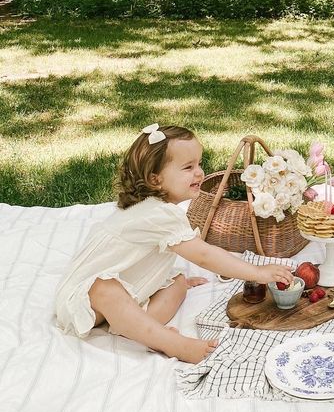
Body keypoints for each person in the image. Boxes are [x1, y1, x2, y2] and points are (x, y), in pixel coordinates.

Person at [54, 124, 293, 363]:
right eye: (188, 168)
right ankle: (173, 344)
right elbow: (204, 255)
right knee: (104, 288)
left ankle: (135, 327)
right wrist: (256, 272)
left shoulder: (161, 210)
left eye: (199, 164)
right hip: (85, 298)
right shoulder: (157, 214)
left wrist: (169, 281)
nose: (199, 173)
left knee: (178, 282)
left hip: (126, 287)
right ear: (155, 180)